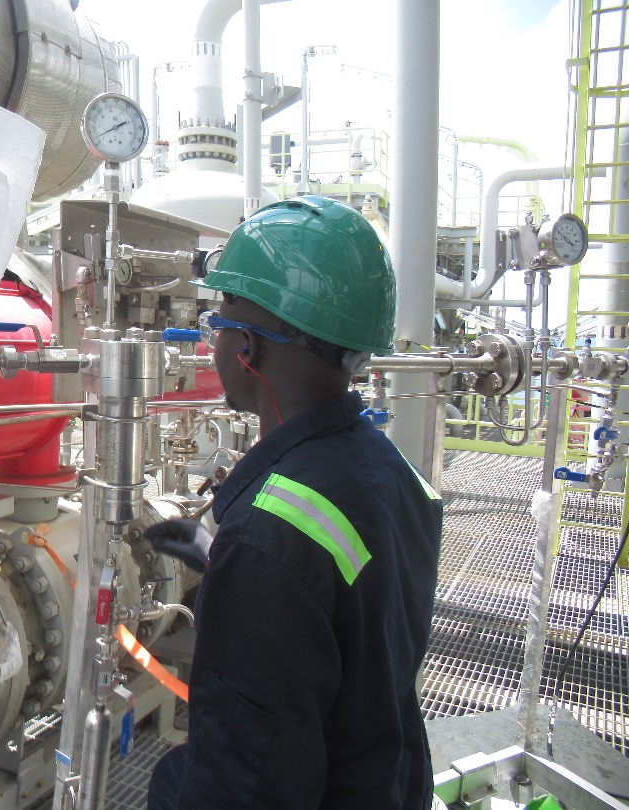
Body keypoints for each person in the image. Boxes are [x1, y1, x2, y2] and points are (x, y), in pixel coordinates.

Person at [144, 195, 443, 810]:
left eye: (219, 324)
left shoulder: (268, 540)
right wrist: (218, 554)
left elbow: (243, 787)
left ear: (248, 349)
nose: (213, 343)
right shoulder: (394, 471)